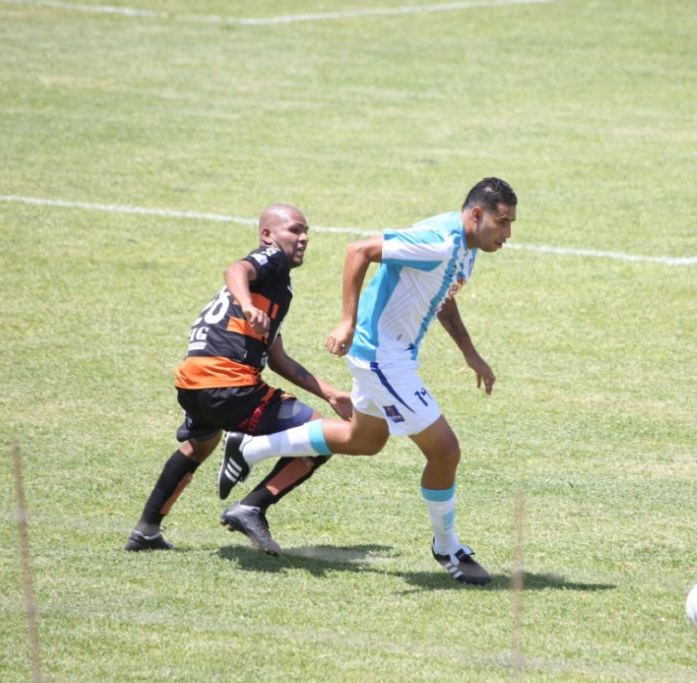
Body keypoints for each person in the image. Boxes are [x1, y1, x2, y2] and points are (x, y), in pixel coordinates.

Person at [218, 177, 517, 585]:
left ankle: (251, 447)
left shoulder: (465, 250)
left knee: (364, 440)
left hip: (393, 356)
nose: (508, 234)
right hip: (381, 357)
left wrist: (470, 353)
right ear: (477, 214)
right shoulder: (440, 240)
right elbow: (359, 250)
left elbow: (443, 296)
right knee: (445, 452)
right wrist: (346, 321)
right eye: (502, 223)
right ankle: (447, 547)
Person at [125, 204, 352, 555]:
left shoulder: (272, 293)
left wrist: (331, 393)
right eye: (294, 230)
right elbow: (236, 269)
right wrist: (247, 305)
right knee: (324, 435)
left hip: (193, 383)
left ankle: (146, 530)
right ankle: (252, 506)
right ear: (268, 236)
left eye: (306, 231)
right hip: (228, 384)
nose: (303, 238)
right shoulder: (271, 261)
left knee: (199, 445)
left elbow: (278, 360)